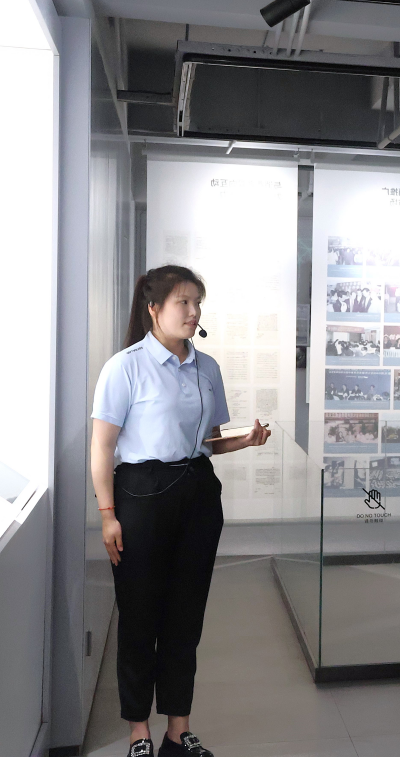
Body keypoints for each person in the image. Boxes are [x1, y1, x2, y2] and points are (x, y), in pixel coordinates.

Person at [91, 266, 272, 757]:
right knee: (139, 615)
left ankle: (178, 730)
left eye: (197, 303)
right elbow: (102, 447)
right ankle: (138, 731)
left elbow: (208, 442)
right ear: (154, 309)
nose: (194, 312)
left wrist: (245, 440)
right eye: (183, 303)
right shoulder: (125, 367)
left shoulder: (206, 366)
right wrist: (107, 513)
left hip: (196, 493)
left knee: (186, 615)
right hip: (141, 495)